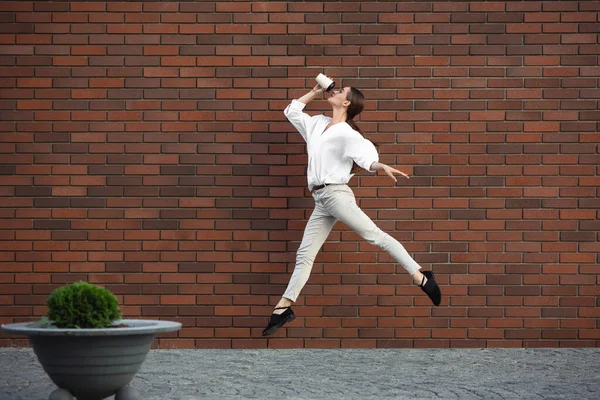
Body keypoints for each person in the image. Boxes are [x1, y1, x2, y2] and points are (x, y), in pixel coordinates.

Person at [262, 78, 441, 337]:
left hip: (336, 195)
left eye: (341, 91)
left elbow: (368, 159)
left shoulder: (348, 134)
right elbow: (291, 111)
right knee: (304, 255)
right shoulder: (318, 124)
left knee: (375, 236)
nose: (335, 90)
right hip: (321, 200)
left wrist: (382, 167)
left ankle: (420, 276)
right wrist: (313, 92)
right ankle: (284, 308)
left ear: (346, 102)